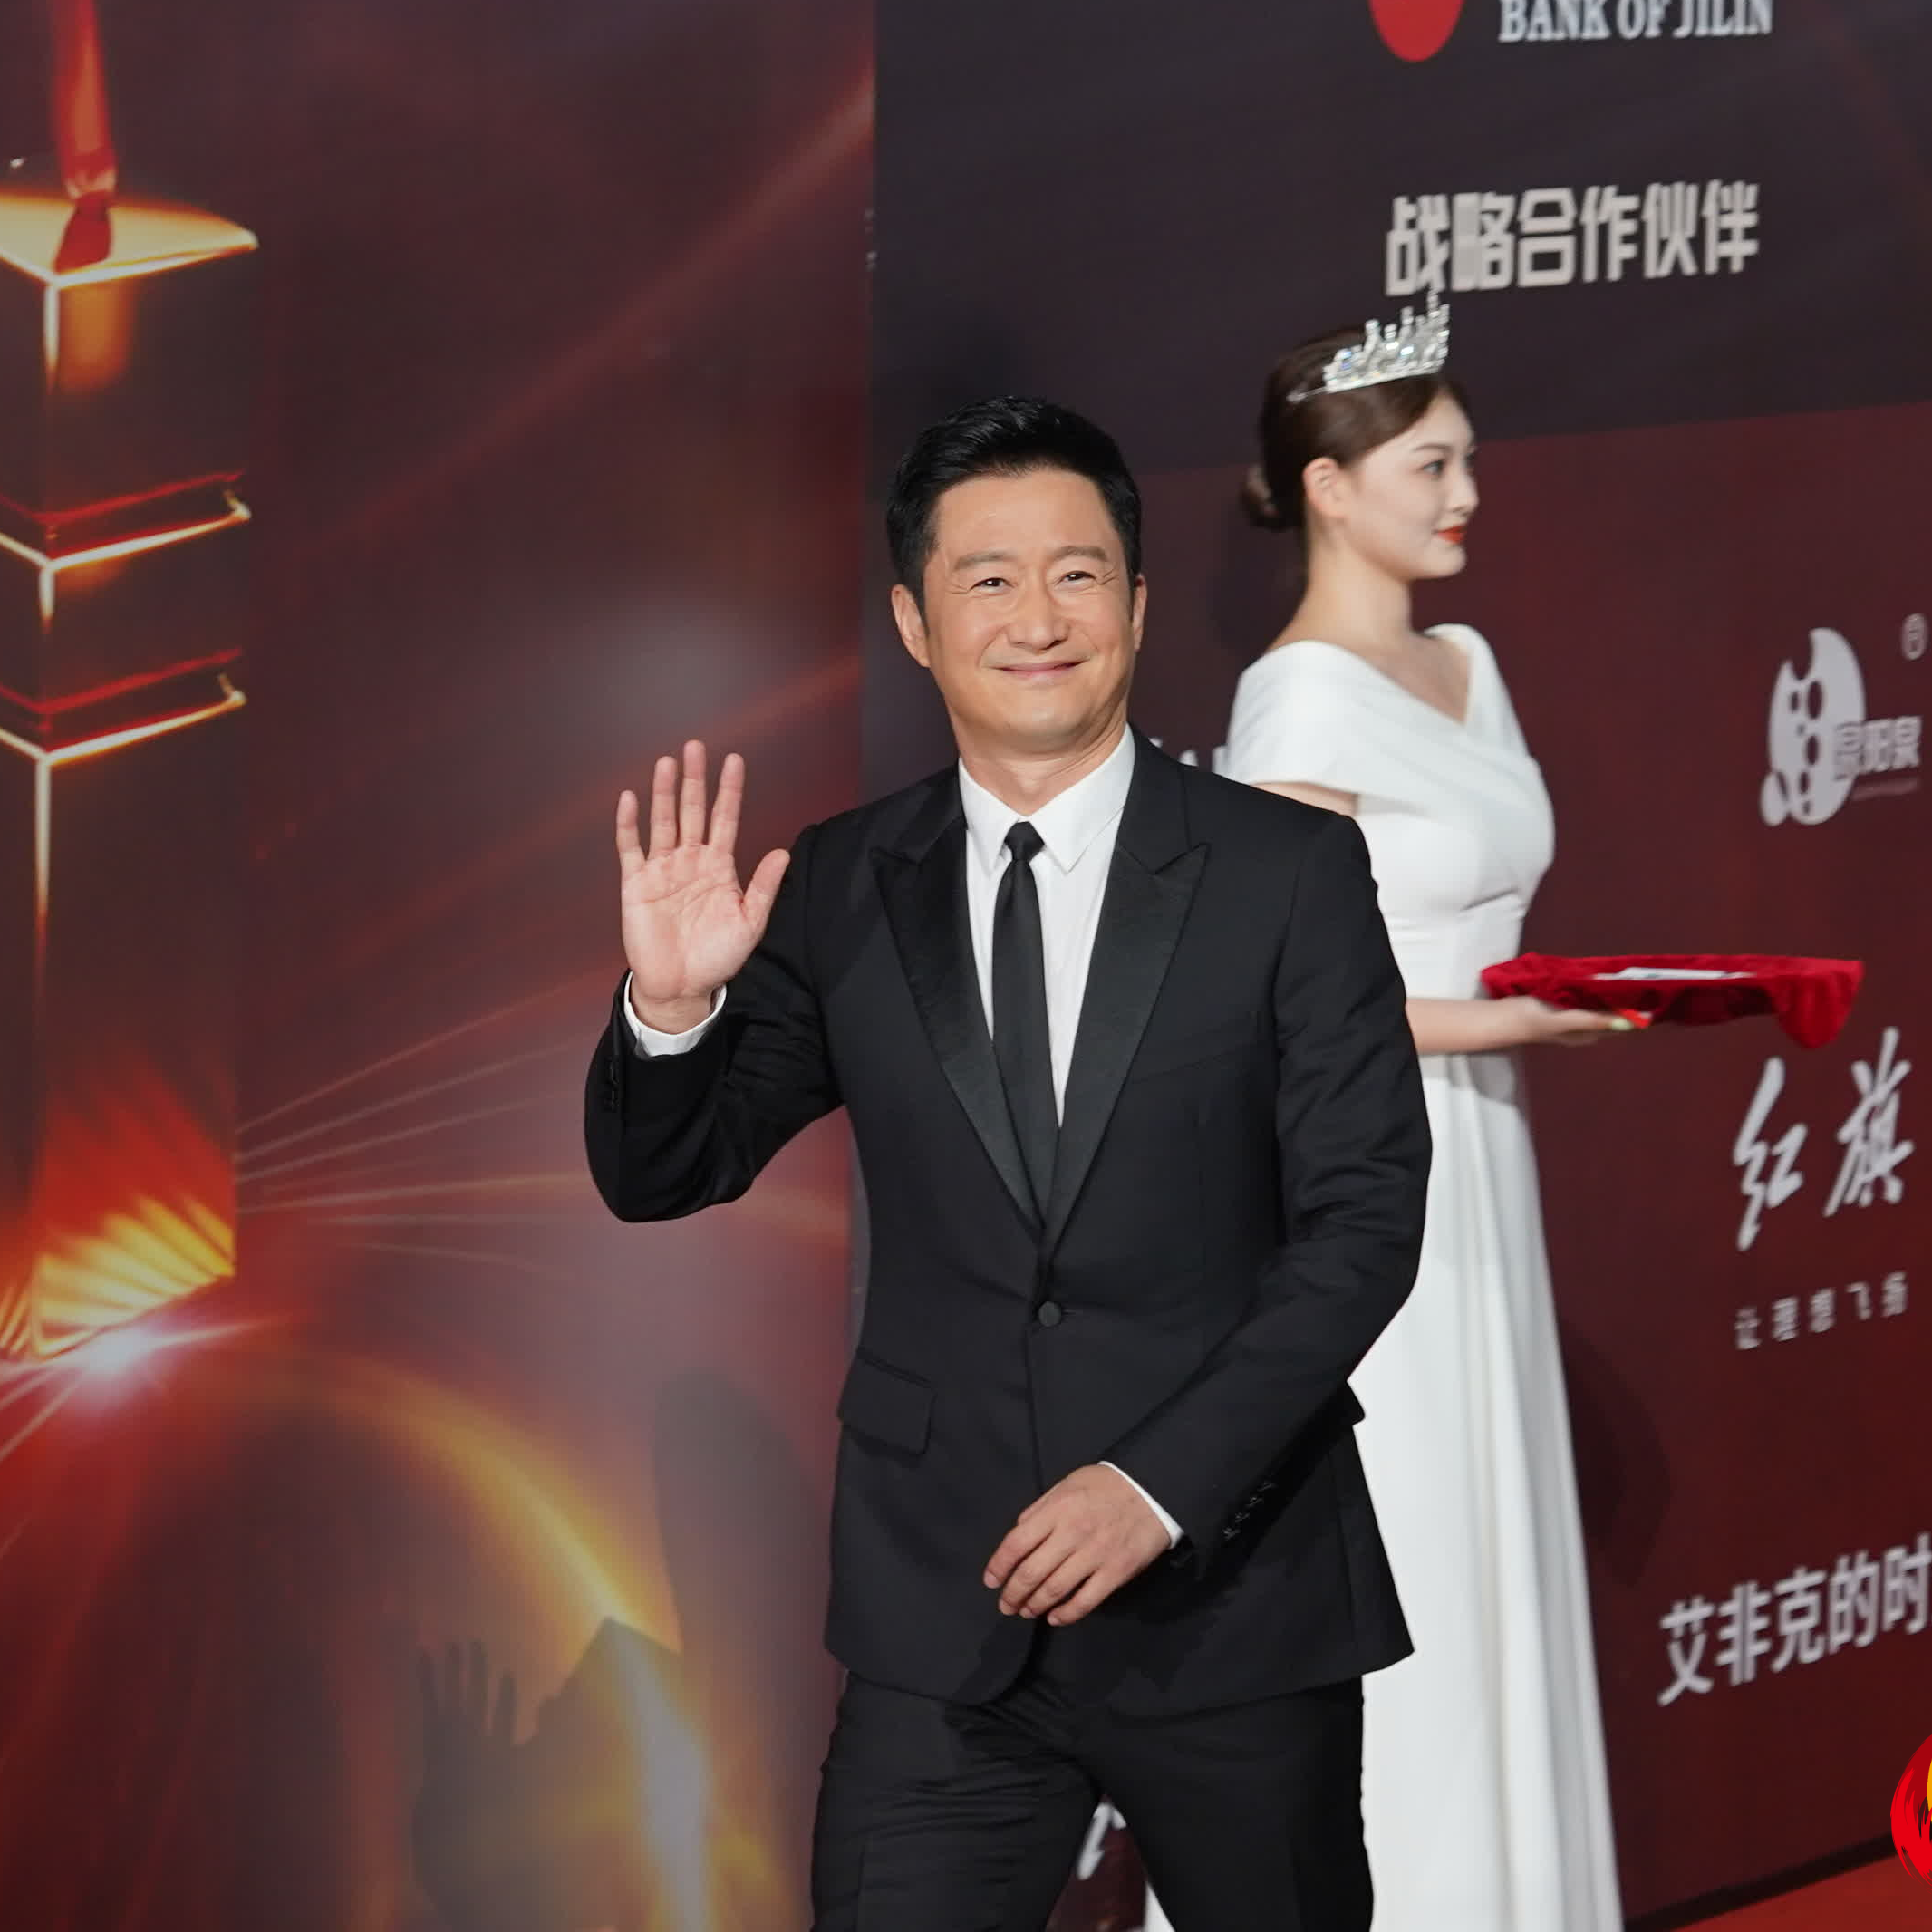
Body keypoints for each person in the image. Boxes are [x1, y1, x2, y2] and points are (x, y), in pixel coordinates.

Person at [585, 396, 1432, 1930]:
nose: (1037, 619)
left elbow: (1363, 1226)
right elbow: (667, 1171)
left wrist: (1156, 1486)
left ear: (1138, 603)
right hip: (945, 1619)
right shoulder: (843, 881)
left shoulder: (1286, 874)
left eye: (1077, 574)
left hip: (1230, 1604)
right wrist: (671, 1007)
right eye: (987, 580)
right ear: (916, 622)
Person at [1220, 304, 1632, 1932]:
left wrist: (1544, 1006)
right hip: (1365, 1165)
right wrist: (1505, 1022)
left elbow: (1488, 917)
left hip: (1487, 1151)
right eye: (1432, 465)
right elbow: (1280, 993)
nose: (1467, 492)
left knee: (1486, 1534)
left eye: (1468, 459)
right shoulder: (1294, 707)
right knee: (1409, 1548)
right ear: (1330, 488)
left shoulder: (1472, 665)